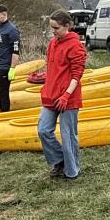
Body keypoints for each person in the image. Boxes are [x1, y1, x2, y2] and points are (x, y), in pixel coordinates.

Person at [39, 11, 87, 180]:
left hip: (68, 98)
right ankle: (59, 160)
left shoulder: (76, 46)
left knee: (68, 136)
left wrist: (66, 95)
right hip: (50, 95)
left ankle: (72, 171)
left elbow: (77, 75)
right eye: (51, 27)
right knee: (43, 130)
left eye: (56, 28)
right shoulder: (52, 43)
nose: (53, 31)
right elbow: (52, 68)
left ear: (67, 26)